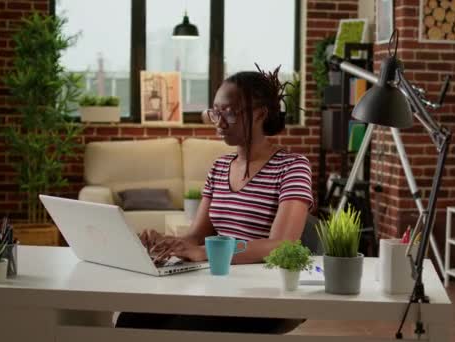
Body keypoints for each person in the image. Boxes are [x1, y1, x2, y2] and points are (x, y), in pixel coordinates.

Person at [115, 65, 314, 334]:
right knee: (132, 319)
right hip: (219, 283)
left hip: (264, 291)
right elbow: (196, 236)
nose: (219, 123)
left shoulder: (292, 167)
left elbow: (280, 246)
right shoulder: (220, 167)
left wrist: (207, 255)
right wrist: (164, 242)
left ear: (260, 114)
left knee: (182, 329)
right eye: (215, 113)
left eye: (229, 113)